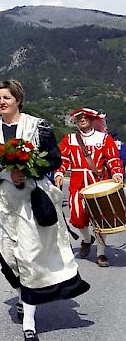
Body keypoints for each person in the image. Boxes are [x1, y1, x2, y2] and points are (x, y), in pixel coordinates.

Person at [0, 80, 89, 341]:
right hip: (1, 201)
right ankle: (24, 294)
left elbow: (54, 157)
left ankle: (29, 319)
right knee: (9, 256)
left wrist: (27, 170)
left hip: (31, 200)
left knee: (29, 256)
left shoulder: (38, 126)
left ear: (18, 100)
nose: (2, 102)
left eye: (7, 97)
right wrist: (3, 171)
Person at [53, 108, 124, 267]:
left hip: (97, 182)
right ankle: (86, 239)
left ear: (92, 120)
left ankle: (100, 253)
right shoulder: (70, 139)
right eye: (79, 118)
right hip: (77, 182)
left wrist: (117, 173)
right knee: (77, 216)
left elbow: (113, 158)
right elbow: (63, 159)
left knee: (100, 219)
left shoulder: (104, 138)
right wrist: (59, 173)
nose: (82, 119)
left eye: (85, 117)